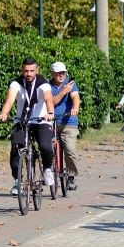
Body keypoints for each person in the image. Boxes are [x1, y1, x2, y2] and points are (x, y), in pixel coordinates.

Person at [0, 57, 56, 196]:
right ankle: (18, 181)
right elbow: (10, 100)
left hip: (41, 120)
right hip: (22, 121)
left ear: (37, 70)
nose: (28, 74)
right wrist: (4, 114)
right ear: (22, 70)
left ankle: (47, 169)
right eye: (25, 71)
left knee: (46, 146)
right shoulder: (16, 83)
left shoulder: (43, 83)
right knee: (16, 148)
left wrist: (50, 112)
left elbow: (48, 99)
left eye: (31, 71)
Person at [49, 61, 81, 190]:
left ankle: (71, 176)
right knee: (47, 147)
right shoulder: (47, 86)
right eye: (58, 73)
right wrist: (63, 92)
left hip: (68, 122)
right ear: (53, 74)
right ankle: (49, 172)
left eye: (63, 73)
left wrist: (75, 108)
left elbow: (75, 97)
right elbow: (51, 102)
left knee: (70, 150)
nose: (61, 75)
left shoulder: (70, 85)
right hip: (52, 121)